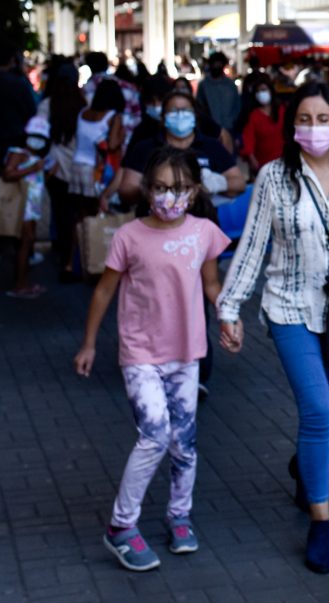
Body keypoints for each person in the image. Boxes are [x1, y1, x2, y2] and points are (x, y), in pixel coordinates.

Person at [217, 82, 329, 574]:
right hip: (289, 307)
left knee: (328, 418)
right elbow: (253, 245)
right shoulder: (274, 177)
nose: (313, 128)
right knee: (318, 412)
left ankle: (304, 465)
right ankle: (322, 521)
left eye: (322, 118)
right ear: (291, 124)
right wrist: (229, 308)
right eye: (304, 119)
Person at [73, 147, 230, 572]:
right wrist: (89, 344)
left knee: (184, 443)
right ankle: (121, 526)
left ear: (194, 191)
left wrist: (228, 318)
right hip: (140, 353)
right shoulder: (129, 236)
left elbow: (211, 285)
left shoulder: (204, 233)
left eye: (179, 188)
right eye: (160, 187)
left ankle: (179, 516)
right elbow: (104, 290)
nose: (169, 197)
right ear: (146, 190)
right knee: (155, 435)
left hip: (187, 352)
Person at [118, 91, 245, 207]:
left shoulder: (211, 146)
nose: (180, 115)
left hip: (201, 218)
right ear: (163, 117)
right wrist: (154, 188)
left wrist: (217, 183)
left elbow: (239, 182)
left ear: (195, 115)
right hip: (154, 218)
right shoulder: (145, 148)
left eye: (186, 110)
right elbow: (125, 190)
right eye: (173, 111)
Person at [36, 61, 86, 280]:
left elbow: (37, 136)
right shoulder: (84, 104)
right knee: (75, 215)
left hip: (53, 168)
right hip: (79, 169)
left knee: (60, 212)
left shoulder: (47, 105)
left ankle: (63, 253)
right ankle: (73, 258)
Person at [4, 116, 50, 298]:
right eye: (34, 136)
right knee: (25, 242)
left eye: (41, 137)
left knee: (27, 242)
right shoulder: (19, 152)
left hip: (31, 205)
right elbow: (8, 173)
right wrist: (32, 169)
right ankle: (20, 285)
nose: (37, 140)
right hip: (23, 206)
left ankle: (23, 282)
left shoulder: (34, 155)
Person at [70, 79, 124, 217]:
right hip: (95, 170)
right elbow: (112, 145)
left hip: (76, 164)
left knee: (79, 212)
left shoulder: (82, 113)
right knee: (93, 211)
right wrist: (122, 136)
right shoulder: (113, 116)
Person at [83, 51, 142, 147]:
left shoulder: (87, 89)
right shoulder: (128, 86)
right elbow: (137, 116)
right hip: (125, 143)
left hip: (96, 146)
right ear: (107, 65)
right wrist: (125, 134)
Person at [239, 72, 285, 172]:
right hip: (263, 164)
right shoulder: (253, 116)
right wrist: (251, 158)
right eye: (258, 91)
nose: (261, 93)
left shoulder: (281, 110)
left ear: (271, 91)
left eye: (264, 90)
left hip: (283, 160)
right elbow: (248, 138)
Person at [0, 42, 37, 162]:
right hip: (13, 138)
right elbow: (31, 110)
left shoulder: (17, 82)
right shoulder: (18, 83)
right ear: (12, 60)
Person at [195, 51, 240, 137]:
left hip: (229, 127)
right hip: (210, 130)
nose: (217, 66)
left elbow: (237, 106)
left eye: (219, 63)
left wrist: (233, 121)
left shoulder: (230, 85)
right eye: (214, 63)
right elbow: (199, 106)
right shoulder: (204, 85)